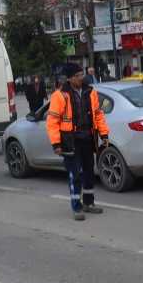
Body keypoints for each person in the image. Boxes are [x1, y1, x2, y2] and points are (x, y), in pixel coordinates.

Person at [47, 63, 110, 221]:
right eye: (77, 75)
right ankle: (77, 206)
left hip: (88, 138)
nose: (81, 78)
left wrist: (104, 134)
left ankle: (89, 203)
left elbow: (98, 114)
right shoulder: (60, 96)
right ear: (69, 78)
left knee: (89, 172)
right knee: (74, 175)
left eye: (81, 74)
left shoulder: (90, 92)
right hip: (70, 140)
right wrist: (56, 144)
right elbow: (52, 122)